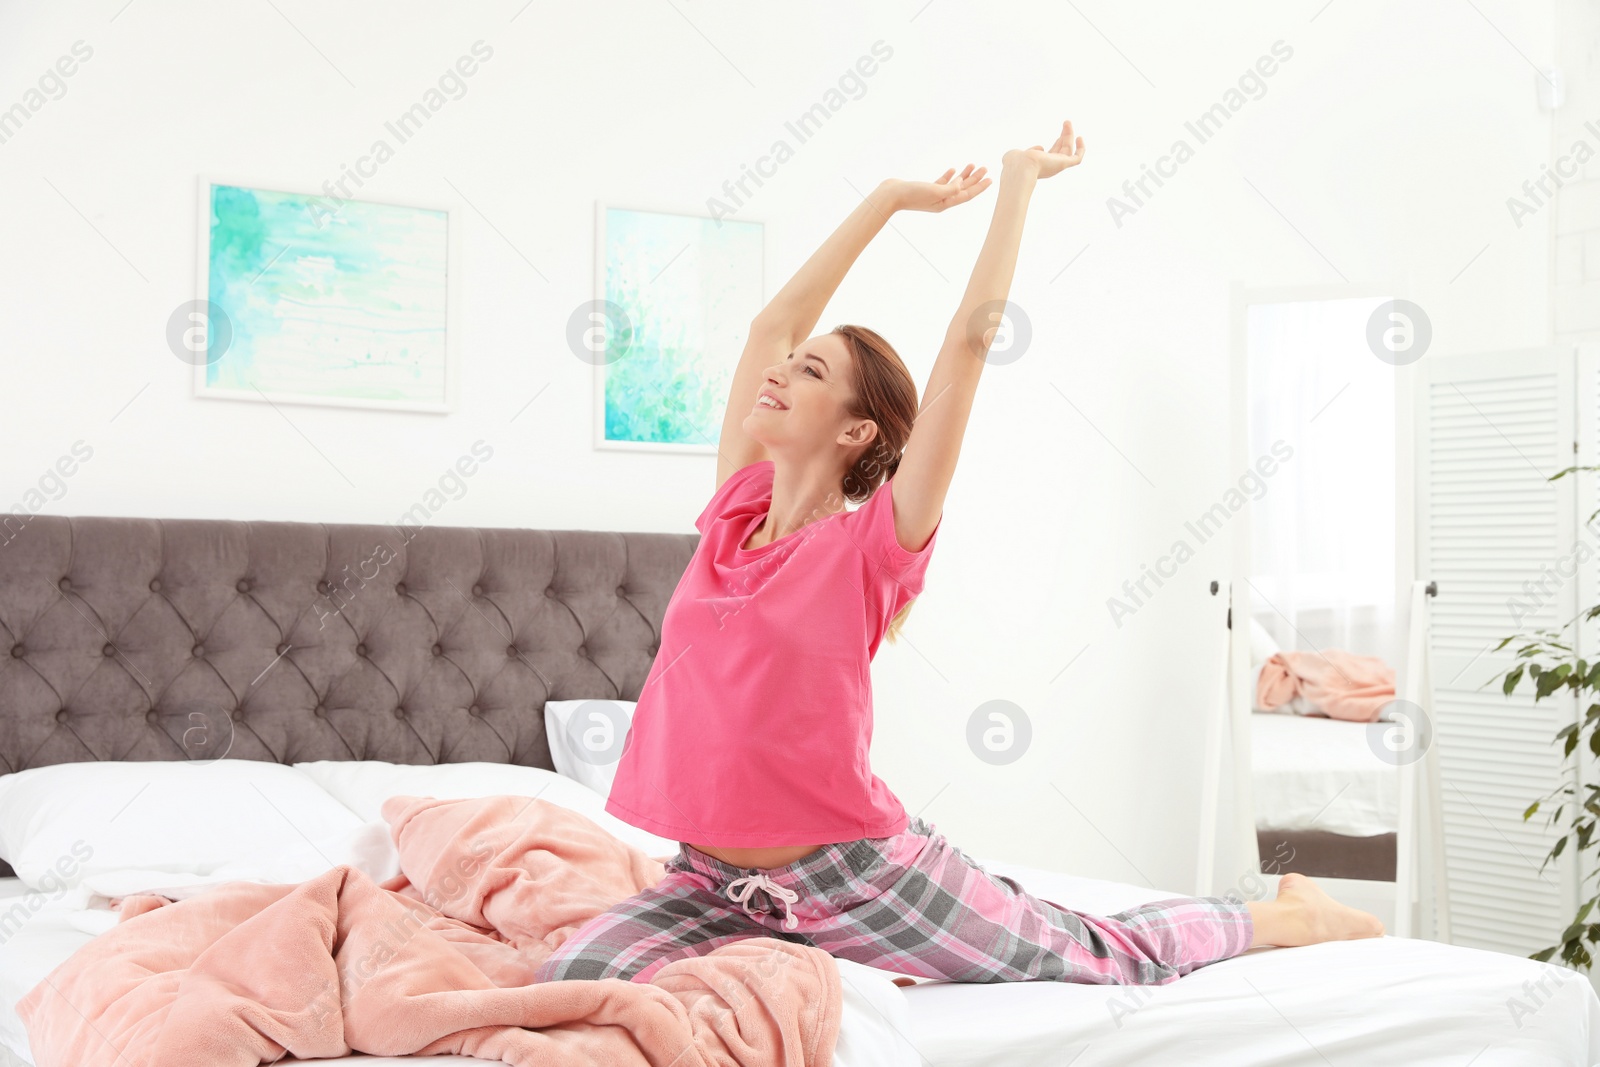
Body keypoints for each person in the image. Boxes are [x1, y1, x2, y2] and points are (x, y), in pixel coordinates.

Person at [536, 120, 1384, 988]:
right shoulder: (734, 514)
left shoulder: (873, 545)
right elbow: (771, 323)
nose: (781, 372)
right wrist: (890, 200)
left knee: (1092, 954)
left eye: (813, 373)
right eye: (791, 364)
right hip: (711, 883)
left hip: (852, 880)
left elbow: (971, 345)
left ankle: (1282, 912)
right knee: (564, 984)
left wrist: (1016, 184)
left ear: (857, 429)